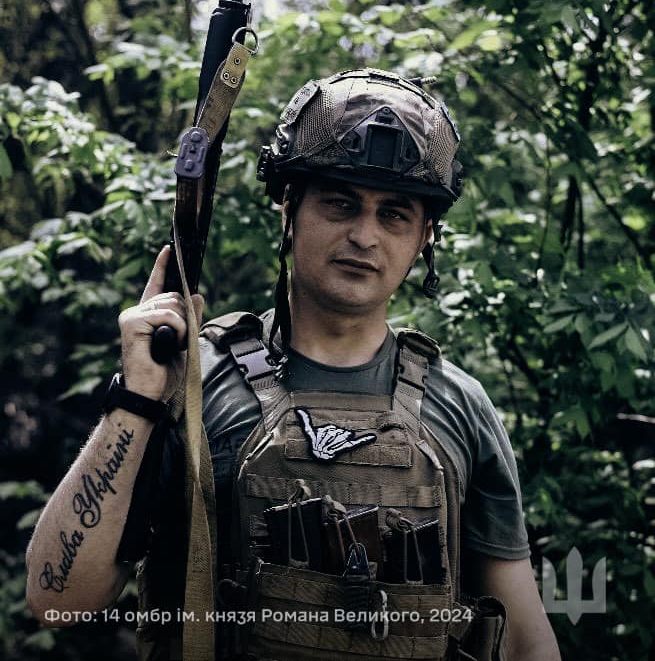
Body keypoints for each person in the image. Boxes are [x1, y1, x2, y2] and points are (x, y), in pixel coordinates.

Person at [26, 68, 561, 661]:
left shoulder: (459, 404)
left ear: (424, 238)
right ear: (289, 208)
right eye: (340, 203)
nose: (364, 236)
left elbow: (525, 640)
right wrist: (137, 398)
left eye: (394, 215)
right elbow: (58, 598)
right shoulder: (195, 381)